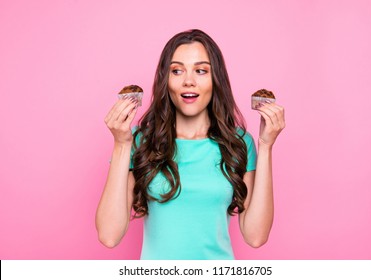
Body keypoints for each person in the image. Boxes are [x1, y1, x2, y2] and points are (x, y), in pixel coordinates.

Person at [95, 29, 285, 260]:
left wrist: (265, 146)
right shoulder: (140, 141)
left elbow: (256, 236)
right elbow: (109, 235)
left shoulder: (238, 143)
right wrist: (121, 145)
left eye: (201, 71)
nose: (188, 81)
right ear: (166, 80)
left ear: (216, 80)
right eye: (177, 71)